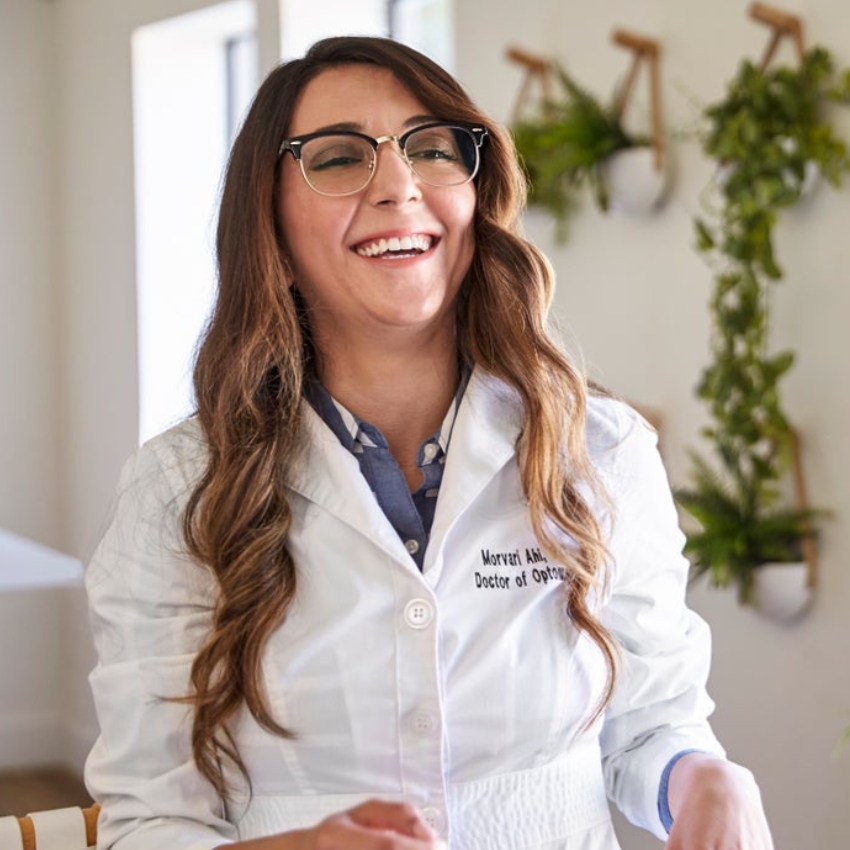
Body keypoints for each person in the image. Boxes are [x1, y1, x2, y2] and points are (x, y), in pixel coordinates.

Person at [84, 35, 774, 850]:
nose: (398, 184)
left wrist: (704, 778)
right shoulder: (179, 491)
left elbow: (653, 723)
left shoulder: (601, 450)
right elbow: (149, 820)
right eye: (340, 157)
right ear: (269, 225)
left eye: (433, 149)